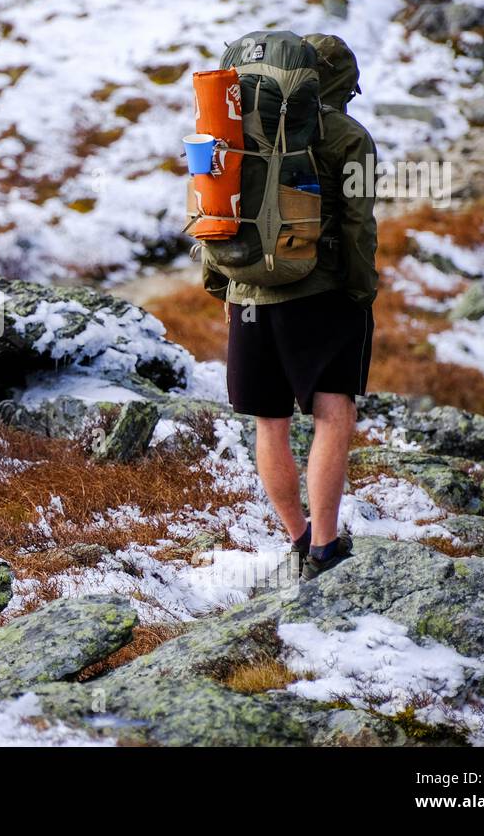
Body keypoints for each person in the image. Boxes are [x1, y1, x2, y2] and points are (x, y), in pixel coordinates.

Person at [201, 33, 378, 581]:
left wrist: (221, 281)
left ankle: (297, 539)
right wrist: (359, 289)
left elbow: (213, 202)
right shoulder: (350, 136)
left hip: (246, 295)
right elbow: (358, 223)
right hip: (318, 294)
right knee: (333, 415)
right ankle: (326, 546)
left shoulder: (235, 127)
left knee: (270, 423)